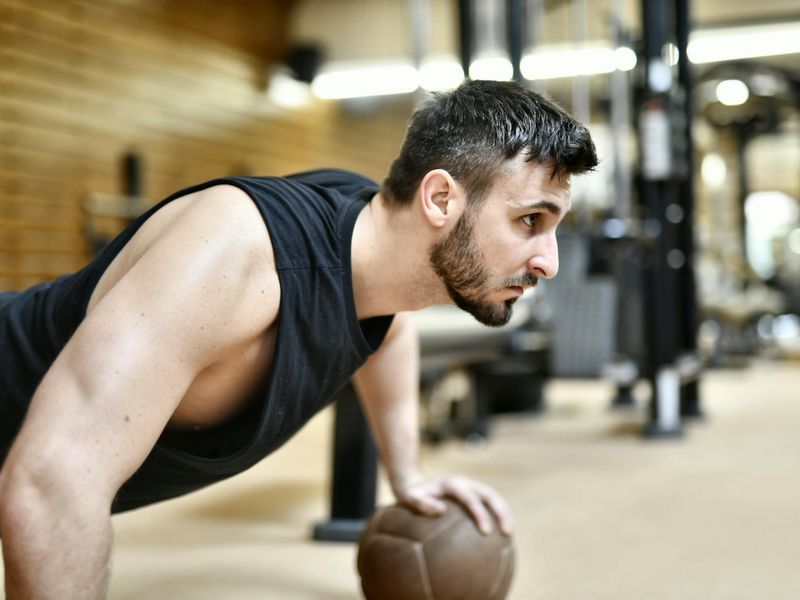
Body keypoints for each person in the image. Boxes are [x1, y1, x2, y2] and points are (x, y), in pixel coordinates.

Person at [0, 79, 598, 599]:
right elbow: (52, 483)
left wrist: (408, 475)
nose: (548, 262)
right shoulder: (231, 256)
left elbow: (390, 332)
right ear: (440, 198)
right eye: (529, 221)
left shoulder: (371, 241)